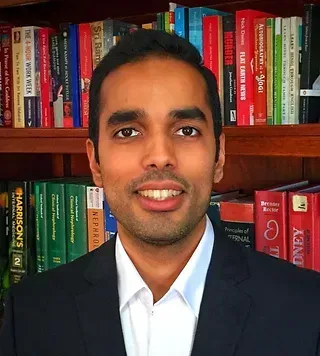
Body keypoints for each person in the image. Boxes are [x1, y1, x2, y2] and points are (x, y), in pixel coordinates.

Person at [1, 29, 320, 356]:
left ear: (219, 156)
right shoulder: (28, 314)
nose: (159, 156)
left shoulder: (308, 310)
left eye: (186, 130)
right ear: (94, 161)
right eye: (127, 132)